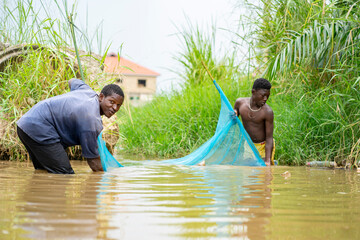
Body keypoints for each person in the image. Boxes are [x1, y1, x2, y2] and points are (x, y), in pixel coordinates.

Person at [16, 78, 124, 174]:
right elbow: (94, 162)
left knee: (43, 171)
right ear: (101, 97)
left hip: (25, 125)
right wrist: (105, 178)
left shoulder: (86, 90)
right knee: (65, 174)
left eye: (118, 105)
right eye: (111, 102)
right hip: (39, 128)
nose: (115, 108)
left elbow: (72, 81)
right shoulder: (92, 121)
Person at [233, 78, 275, 166]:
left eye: (267, 96)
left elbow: (269, 138)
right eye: (263, 95)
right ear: (253, 92)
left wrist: (267, 160)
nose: (265, 99)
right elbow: (235, 110)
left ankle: (271, 161)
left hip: (263, 147)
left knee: (263, 172)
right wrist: (235, 112)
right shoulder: (240, 103)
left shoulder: (267, 112)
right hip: (248, 145)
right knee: (247, 173)